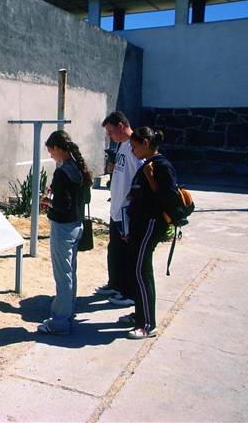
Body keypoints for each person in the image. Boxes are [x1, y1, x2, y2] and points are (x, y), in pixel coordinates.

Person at [123, 127, 179, 339]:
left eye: (135, 146)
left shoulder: (161, 166)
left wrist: (151, 180)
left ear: (146, 142)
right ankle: (139, 314)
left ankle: (147, 323)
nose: (133, 151)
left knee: (140, 270)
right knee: (135, 269)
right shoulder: (147, 165)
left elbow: (169, 199)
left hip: (151, 224)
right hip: (139, 223)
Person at [37, 130, 93, 335]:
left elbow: (62, 205)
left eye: (51, 150)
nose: (50, 154)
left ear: (58, 148)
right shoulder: (78, 167)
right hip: (77, 226)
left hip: (63, 228)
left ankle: (59, 322)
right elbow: (84, 198)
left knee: (63, 277)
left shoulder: (62, 172)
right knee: (70, 274)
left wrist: (48, 201)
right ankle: (66, 315)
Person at [96, 112, 143, 308]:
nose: (109, 136)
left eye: (110, 131)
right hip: (116, 209)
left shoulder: (134, 147)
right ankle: (115, 284)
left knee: (127, 254)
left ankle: (129, 292)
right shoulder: (121, 146)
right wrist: (112, 168)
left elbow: (142, 174)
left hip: (127, 211)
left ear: (121, 126)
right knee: (115, 250)